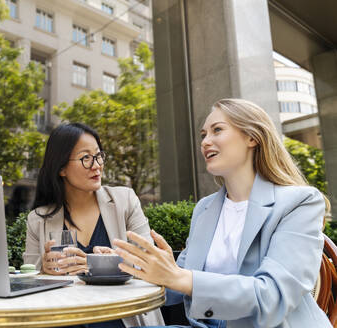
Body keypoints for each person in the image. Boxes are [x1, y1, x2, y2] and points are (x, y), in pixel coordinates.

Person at [113, 98, 332, 328]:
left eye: (217, 130)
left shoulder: (300, 203)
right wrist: (123, 266)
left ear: (252, 137)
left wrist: (180, 277)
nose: (206, 141)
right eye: (203, 135)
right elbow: (177, 284)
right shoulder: (205, 209)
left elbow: (272, 297)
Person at [23, 123, 164, 328]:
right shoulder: (38, 219)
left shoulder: (125, 201)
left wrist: (101, 266)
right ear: (61, 167)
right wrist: (44, 271)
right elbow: (27, 285)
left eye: (98, 156)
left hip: (123, 320)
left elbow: (151, 264)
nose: (96, 165)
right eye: (86, 158)